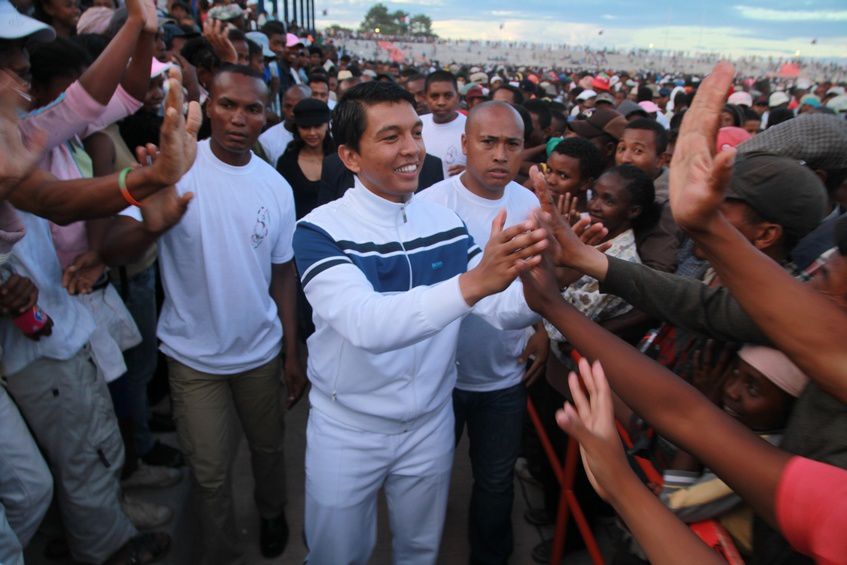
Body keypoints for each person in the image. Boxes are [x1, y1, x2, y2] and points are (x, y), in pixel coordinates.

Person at [292, 81, 548, 564]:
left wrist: (555, 282)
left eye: (415, 132)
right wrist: (476, 282)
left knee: (419, 551)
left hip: (429, 425)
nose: (412, 148)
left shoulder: (442, 223)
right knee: (336, 555)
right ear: (349, 156)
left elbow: (499, 311)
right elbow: (366, 325)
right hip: (348, 429)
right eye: (390, 137)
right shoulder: (320, 230)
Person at [101, 64, 307, 564]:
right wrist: (156, 220)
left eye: (252, 108)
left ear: (268, 116)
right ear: (206, 107)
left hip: (258, 354)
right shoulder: (173, 169)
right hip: (192, 359)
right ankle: (221, 552)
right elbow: (114, 248)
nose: (238, 118)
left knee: (267, 450)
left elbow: (283, 274)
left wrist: (291, 349)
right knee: (210, 473)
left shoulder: (275, 187)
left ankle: (271, 510)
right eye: (227, 105)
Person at [417, 100, 544, 564]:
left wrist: (542, 326)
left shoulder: (528, 204)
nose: (500, 154)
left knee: (495, 480)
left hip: (502, 376)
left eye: (512, 144)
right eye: (488, 142)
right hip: (439, 378)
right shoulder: (431, 205)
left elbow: (536, 278)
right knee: (427, 477)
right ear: (465, 144)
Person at [276, 97, 333, 219]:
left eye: (317, 126)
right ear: (297, 128)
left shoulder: (341, 160)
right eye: (305, 127)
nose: (312, 133)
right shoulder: (286, 163)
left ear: (327, 125)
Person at [421, 69, 467, 178]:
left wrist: (472, 173)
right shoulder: (416, 125)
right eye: (434, 96)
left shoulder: (471, 127)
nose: (441, 102)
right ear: (425, 98)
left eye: (447, 96)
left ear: (458, 98)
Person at [258, 83, 309, 167]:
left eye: (297, 107)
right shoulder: (266, 140)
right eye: (288, 106)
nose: (292, 112)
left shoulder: (320, 137)